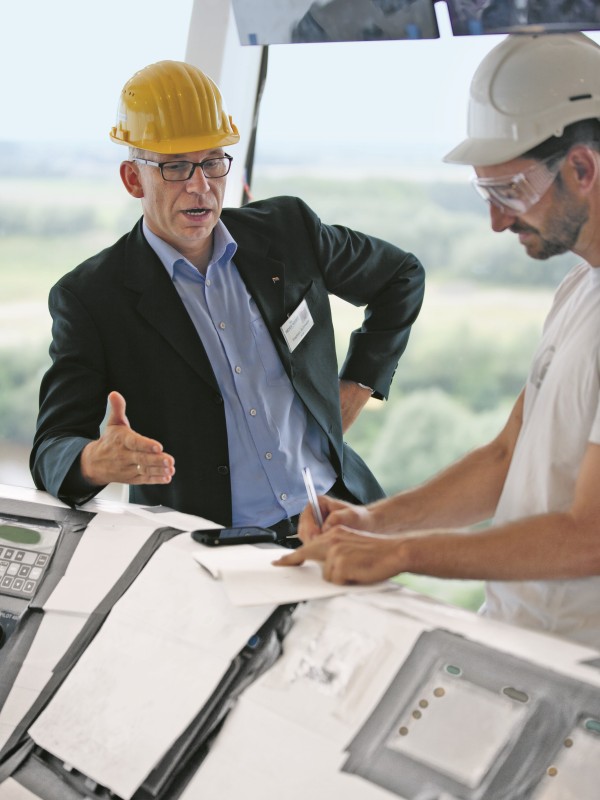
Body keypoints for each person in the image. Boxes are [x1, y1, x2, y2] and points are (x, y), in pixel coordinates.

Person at [277, 32, 600, 647]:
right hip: (519, 637)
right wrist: (374, 522)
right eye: (488, 193)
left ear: (581, 168)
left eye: (511, 192)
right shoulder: (579, 291)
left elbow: (591, 536)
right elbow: (508, 457)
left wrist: (402, 552)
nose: (497, 220)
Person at [29, 60, 425, 544]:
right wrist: (93, 461)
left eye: (213, 162)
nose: (201, 186)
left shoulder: (288, 231)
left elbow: (401, 276)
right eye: (176, 167)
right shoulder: (91, 298)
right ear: (134, 179)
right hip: (211, 548)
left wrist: (360, 382)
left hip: (337, 515)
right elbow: (52, 447)